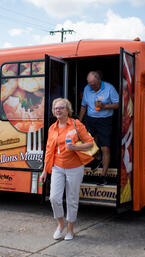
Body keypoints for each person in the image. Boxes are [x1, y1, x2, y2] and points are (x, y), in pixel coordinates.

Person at [40, 98, 93, 241]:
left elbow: (90, 144)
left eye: (61, 108)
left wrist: (75, 147)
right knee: (54, 198)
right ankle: (60, 224)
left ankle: (70, 229)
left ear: (67, 110)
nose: (58, 110)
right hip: (57, 167)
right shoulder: (52, 128)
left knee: (72, 199)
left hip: (75, 167)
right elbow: (49, 150)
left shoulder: (76, 124)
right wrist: (45, 170)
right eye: (56, 108)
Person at [79, 71, 119, 183]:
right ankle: (97, 158)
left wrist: (105, 106)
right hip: (90, 119)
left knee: (105, 147)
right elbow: (83, 106)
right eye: (89, 84)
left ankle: (103, 176)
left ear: (99, 81)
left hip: (105, 120)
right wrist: (79, 122)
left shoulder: (109, 88)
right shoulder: (87, 88)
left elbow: (118, 104)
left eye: (94, 84)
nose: (91, 87)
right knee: (89, 143)